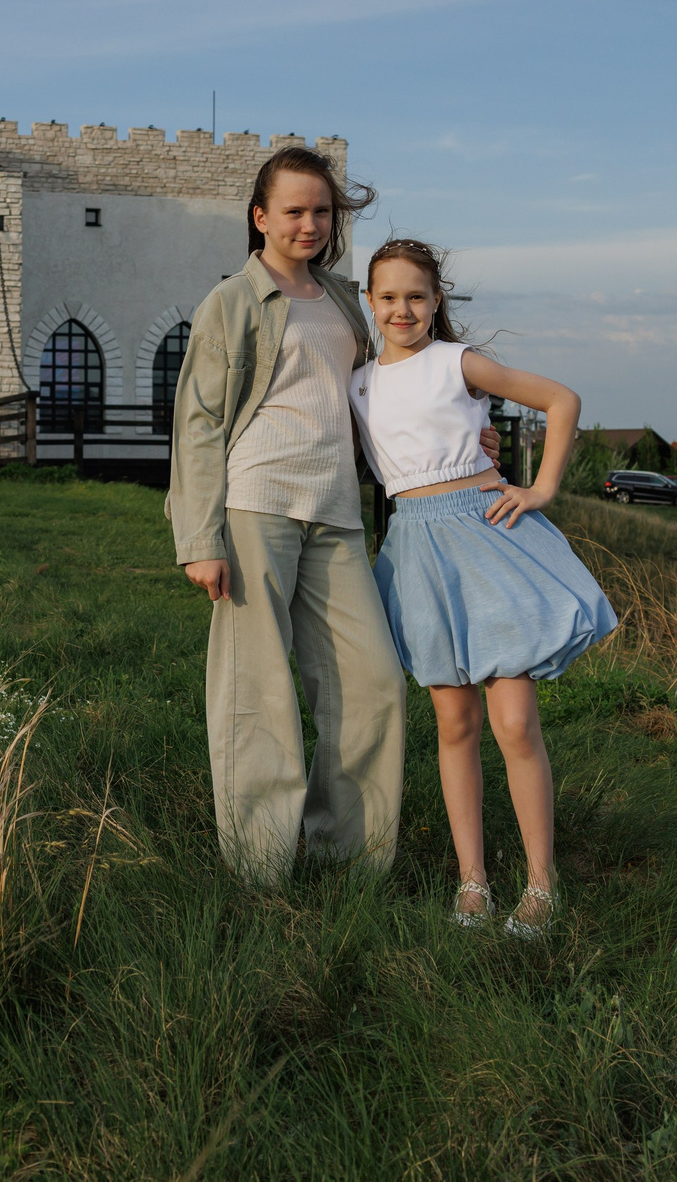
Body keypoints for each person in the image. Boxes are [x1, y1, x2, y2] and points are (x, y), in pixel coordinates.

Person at [349, 238, 616, 938]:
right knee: (454, 723)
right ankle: (473, 881)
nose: (402, 308)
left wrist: (542, 486)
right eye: (388, 297)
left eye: (416, 295)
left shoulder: (456, 362)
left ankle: (540, 884)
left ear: (437, 301)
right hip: (416, 547)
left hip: (484, 533)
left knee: (513, 723)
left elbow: (561, 399)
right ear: (370, 303)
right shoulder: (359, 382)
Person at [168, 147, 405, 884]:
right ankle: (260, 870)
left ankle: (351, 863)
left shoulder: (340, 298)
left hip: (334, 514)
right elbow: (199, 422)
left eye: (322, 211)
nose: (310, 223)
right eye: (294, 211)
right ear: (260, 217)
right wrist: (200, 540)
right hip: (255, 509)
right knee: (260, 693)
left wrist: (469, 431)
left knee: (374, 683)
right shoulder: (232, 302)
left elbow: (385, 393)